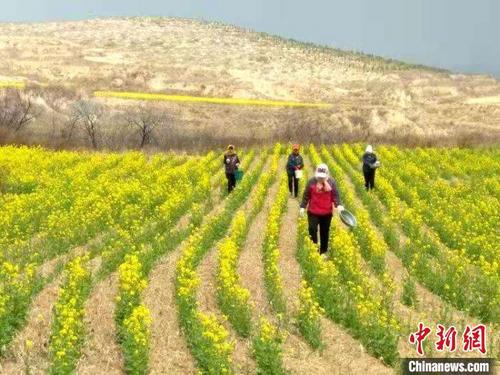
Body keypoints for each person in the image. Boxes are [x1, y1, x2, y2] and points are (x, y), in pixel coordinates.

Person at [300, 164, 344, 258]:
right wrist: (302, 206)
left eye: (322, 177)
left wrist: (339, 205)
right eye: (319, 176)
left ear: (327, 175)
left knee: (324, 232)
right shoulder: (311, 182)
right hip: (313, 212)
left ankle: (323, 251)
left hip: (326, 213)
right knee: (312, 229)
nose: (320, 178)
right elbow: (306, 195)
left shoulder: (331, 182)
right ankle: (314, 250)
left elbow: (335, 195)